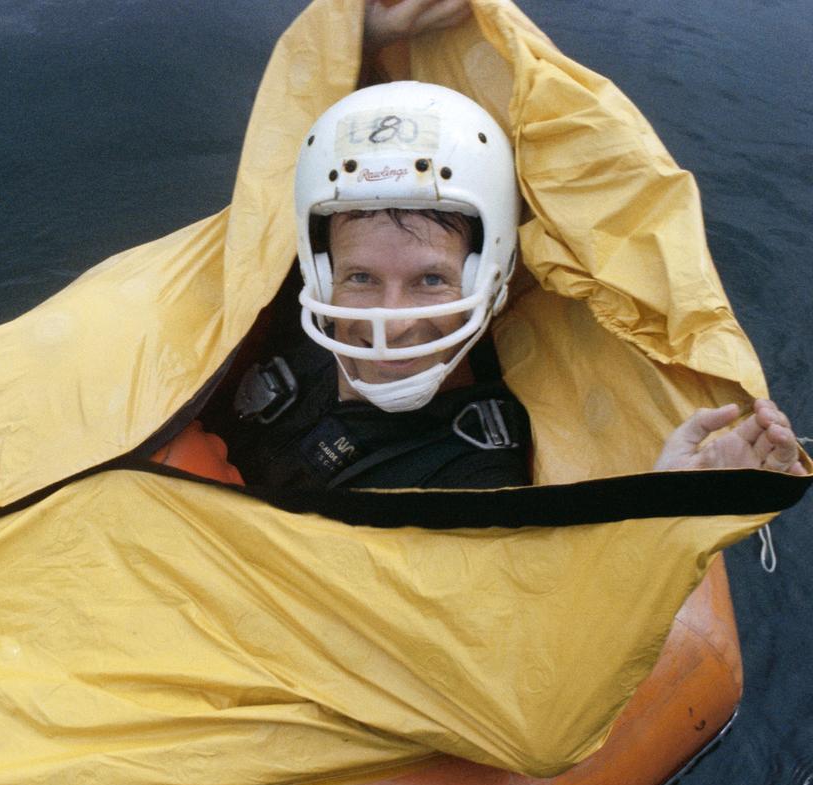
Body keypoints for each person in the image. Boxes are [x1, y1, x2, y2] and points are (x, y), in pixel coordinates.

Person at [200, 1, 805, 490]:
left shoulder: (477, 476)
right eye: (360, 277)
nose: (391, 322)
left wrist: (655, 509)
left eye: (430, 280)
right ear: (318, 264)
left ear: (491, 270)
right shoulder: (283, 304)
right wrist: (354, 36)